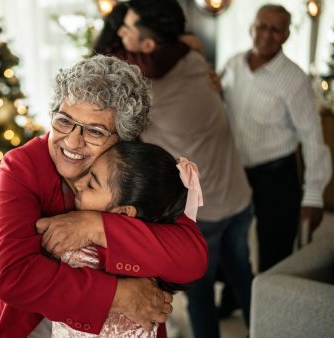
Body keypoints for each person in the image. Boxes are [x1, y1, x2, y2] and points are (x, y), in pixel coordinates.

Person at [0, 55, 208, 338]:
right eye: (64, 121)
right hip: (26, 323)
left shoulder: (132, 168)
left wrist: (96, 227)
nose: (72, 141)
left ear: (123, 138)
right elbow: (14, 277)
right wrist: (119, 295)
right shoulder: (22, 165)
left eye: (94, 131)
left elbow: (191, 259)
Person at [113, 1, 254, 337]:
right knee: (243, 275)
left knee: (199, 292)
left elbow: (108, 69)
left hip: (205, 213)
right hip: (239, 195)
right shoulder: (193, 59)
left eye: (127, 28)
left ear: (148, 45)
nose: (120, 32)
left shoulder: (147, 93)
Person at [50, 141, 203, 338]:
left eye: (91, 184)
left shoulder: (158, 247)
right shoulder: (151, 219)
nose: (77, 183)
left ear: (123, 211)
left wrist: (95, 225)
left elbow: (194, 259)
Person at [220, 4, 332, 272]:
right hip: (237, 172)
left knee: (275, 252)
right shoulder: (233, 64)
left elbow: (313, 138)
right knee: (231, 243)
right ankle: (233, 298)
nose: (266, 35)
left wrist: (313, 197)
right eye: (262, 26)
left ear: (286, 35)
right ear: (252, 28)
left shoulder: (295, 79)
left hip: (277, 177)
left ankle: (272, 308)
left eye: (275, 29)